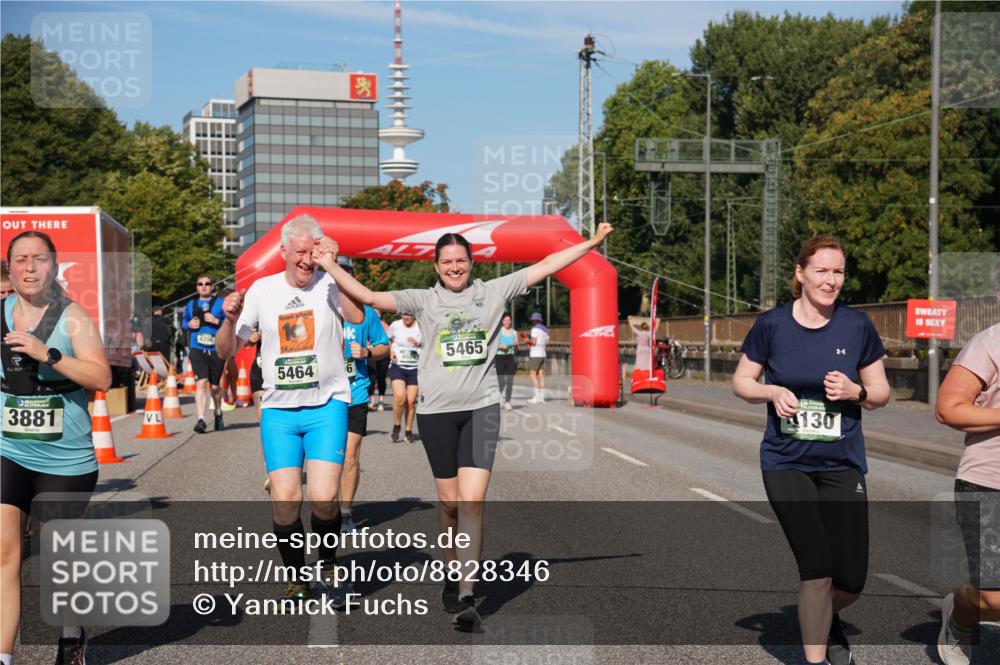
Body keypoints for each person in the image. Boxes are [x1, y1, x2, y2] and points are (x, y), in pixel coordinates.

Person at [317, 222, 614, 631]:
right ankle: (449, 570)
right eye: (446, 262)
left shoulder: (493, 292)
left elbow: (547, 264)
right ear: (436, 266)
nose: (454, 268)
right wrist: (330, 265)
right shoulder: (421, 300)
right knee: (450, 504)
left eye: (461, 261)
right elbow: (368, 296)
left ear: (472, 263)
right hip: (437, 413)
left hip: (481, 408)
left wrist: (593, 243)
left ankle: (468, 592)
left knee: (472, 500)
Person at [732, 235, 891, 665]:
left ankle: (822, 618)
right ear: (801, 274)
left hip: (841, 463)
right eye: (822, 270)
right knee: (816, 569)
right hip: (786, 462)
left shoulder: (856, 325)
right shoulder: (772, 325)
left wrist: (856, 391)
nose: (831, 280)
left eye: (838, 271)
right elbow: (741, 382)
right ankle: (816, 658)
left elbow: (881, 392)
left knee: (851, 580)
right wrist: (771, 392)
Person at [216, 215, 363, 609]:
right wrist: (229, 320)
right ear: (282, 252)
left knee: (325, 497)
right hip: (280, 412)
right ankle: (296, 578)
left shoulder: (330, 282)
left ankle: (328, 562)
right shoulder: (262, 290)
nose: (306, 261)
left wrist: (332, 264)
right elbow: (227, 350)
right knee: (284, 500)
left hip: (327, 406)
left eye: (312, 253)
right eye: (299, 252)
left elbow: (357, 316)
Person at [1, 231, 113, 665]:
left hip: (65, 459)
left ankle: (72, 632)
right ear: (9, 268)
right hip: (8, 449)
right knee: (5, 553)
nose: (30, 268)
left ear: (54, 267)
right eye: (21, 260)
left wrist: (47, 354)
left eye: (40, 259)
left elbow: (102, 379)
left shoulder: (73, 318)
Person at [935, 298, 1000, 664]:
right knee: (994, 598)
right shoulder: (990, 343)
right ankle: (960, 614)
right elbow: (948, 408)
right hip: (989, 482)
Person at [337, 259, 390, 532]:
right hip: (323, 395)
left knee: (350, 455)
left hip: (355, 391)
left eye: (346, 275)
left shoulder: (366, 313)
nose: (341, 280)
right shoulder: (318, 308)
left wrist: (368, 352)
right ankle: (324, 509)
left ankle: (345, 514)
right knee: (324, 457)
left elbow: (384, 346)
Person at [183, 276, 227, 433]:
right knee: (201, 382)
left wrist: (217, 321)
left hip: (216, 349)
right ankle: (201, 419)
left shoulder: (221, 303)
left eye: (207, 284)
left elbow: (230, 323)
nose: (203, 286)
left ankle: (218, 412)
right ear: (197, 287)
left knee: (215, 387)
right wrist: (189, 325)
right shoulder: (191, 304)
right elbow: (184, 322)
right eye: (200, 284)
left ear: (212, 286)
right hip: (197, 348)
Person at [387, 313, 421, 442]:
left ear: (414, 315)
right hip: (398, 366)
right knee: (400, 396)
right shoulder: (395, 325)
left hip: (414, 368)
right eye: (404, 315)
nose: (406, 317)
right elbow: (388, 340)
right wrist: (391, 351)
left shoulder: (421, 326)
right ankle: (397, 425)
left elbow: (428, 344)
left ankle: (408, 430)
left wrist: (417, 343)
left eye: (409, 315)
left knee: (411, 401)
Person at [495, 313, 519, 410]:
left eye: (508, 320)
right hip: (499, 357)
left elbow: (516, 344)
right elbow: (495, 344)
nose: (507, 322)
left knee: (510, 381)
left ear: (511, 321)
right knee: (501, 381)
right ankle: (499, 398)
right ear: (502, 321)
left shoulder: (514, 332)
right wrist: (501, 346)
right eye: (505, 320)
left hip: (510, 357)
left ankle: (508, 401)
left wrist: (516, 344)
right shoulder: (498, 332)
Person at [368, 313, 391, 412]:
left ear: (380, 314)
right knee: (371, 379)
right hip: (370, 355)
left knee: (381, 379)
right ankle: (371, 400)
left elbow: (389, 341)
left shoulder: (385, 326)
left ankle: (381, 401)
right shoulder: (367, 323)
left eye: (377, 313)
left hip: (383, 356)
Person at [526, 312, 549, 403]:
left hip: (535, 354)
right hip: (543, 353)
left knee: (532, 375)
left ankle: (537, 397)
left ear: (534, 320)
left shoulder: (534, 329)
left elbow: (534, 342)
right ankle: (542, 397)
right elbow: (547, 341)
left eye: (533, 319)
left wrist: (528, 341)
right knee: (541, 375)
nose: (532, 321)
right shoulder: (545, 329)